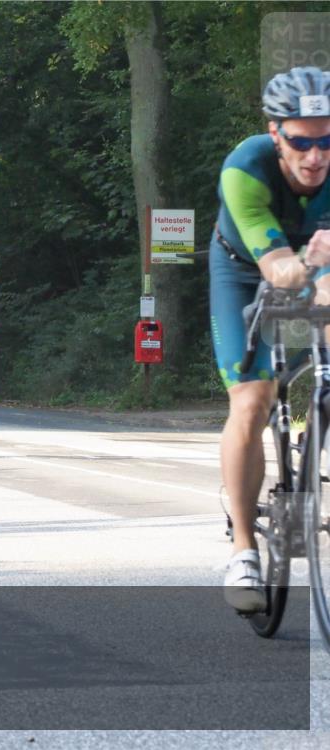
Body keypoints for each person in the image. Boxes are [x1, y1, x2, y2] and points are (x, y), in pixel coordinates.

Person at [209, 66, 330, 612]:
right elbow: (281, 272)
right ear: (275, 132)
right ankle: (242, 549)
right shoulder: (245, 169)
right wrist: (313, 265)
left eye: (327, 140)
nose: (315, 156)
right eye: (301, 141)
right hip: (247, 270)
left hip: (319, 264)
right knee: (253, 401)